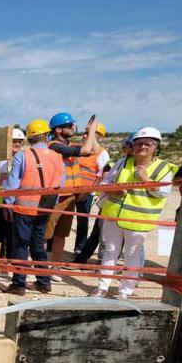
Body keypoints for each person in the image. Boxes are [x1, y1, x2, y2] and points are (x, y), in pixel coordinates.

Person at [90, 127, 177, 300]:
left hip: (139, 219)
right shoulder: (123, 162)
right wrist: (113, 190)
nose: (142, 147)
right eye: (138, 143)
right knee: (110, 251)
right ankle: (102, 287)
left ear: (156, 147)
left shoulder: (163, 168)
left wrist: (146, 179)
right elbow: (106, 182)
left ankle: (125, 291)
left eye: (148, 144)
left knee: (132, 255)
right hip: (114, 215)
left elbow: (163, 193)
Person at [0, 119, 64, 295]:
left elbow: (12, 185)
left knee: (20, 245)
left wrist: (9, 206)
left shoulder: (22, 155)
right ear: (45, 135)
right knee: (37, 245)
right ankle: (43, 281)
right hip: (45, 208)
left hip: (24, 209)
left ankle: (18, 284)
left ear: (29, 137)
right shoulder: (58, 157)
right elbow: (61, 185)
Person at [45, 112, 100, 281]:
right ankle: (40, 267)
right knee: (46, 234)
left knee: (61, 234)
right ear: (59, 130)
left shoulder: (67, 144)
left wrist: (92, 132)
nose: (73, 128)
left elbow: (95, 150)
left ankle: (55, 267)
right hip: (56, 196)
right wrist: (91, 131)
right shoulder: (54, 145)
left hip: (69, 196)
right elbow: (85, 151)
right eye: (70, 126)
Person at [74, 133, 132, 264]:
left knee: (123, 239)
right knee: (98, 234)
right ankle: (82, 259)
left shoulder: (140, 167)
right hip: (109, 205)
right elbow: (104, 181)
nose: (124, 149)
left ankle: (96, 261)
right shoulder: (117, 163)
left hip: (128, 209)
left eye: (127, 146)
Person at [73, 123, 110, 255]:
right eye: (85, 133)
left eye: (89, 134)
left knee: (82, 221)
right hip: (71, 189)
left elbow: (102, 175)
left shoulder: (102, 153)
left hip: (86, 193)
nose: (85, 136)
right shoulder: (77, 148)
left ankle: (79, 247)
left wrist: (89, 191)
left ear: (98, 136)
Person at [0, 128, 26, 258]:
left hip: (14, 203)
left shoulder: (24, 160)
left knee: (11, 234)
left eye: (20, 142)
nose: (17, 144)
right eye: (14, 141)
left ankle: (9, 260)